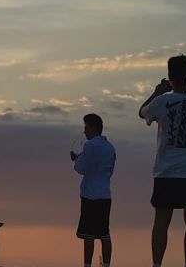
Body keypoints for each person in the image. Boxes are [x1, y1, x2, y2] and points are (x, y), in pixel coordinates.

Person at [139, 55, 186, 267]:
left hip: (167, 169)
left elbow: (142, 113)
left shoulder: (162, 101)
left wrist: (156, 93)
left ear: (170, 78)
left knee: (161, 221)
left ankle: (157, 264)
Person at [71, 113, 115, 266]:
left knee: (88, 235)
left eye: (87, 127)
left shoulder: (90, 145)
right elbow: (109, 170)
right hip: (105, 195)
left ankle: (87, 265)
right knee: (104, 234)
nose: (85, 131)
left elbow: (82, 168)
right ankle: (107, 264)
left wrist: (76, 159)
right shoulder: (110, 147)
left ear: (94, 127)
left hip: (90, 195)